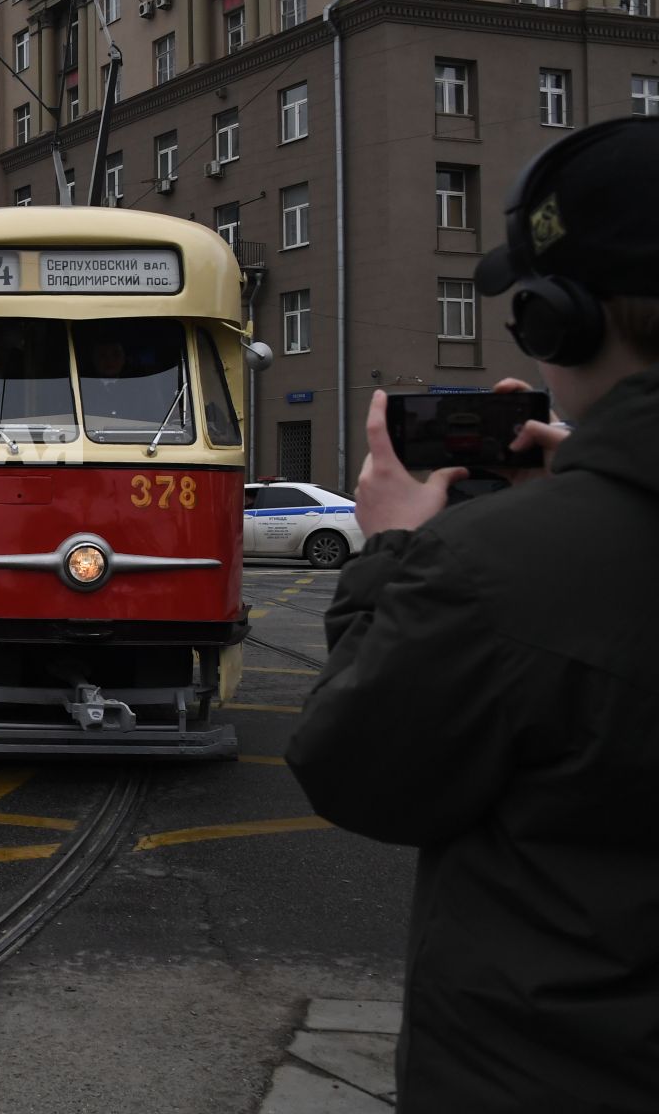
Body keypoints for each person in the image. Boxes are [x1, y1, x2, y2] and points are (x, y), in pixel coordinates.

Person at [286, 117, 659, 1113]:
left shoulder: (492, 569)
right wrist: (578, 480)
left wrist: (397, 550)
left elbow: (357, 770)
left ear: (556, 321)